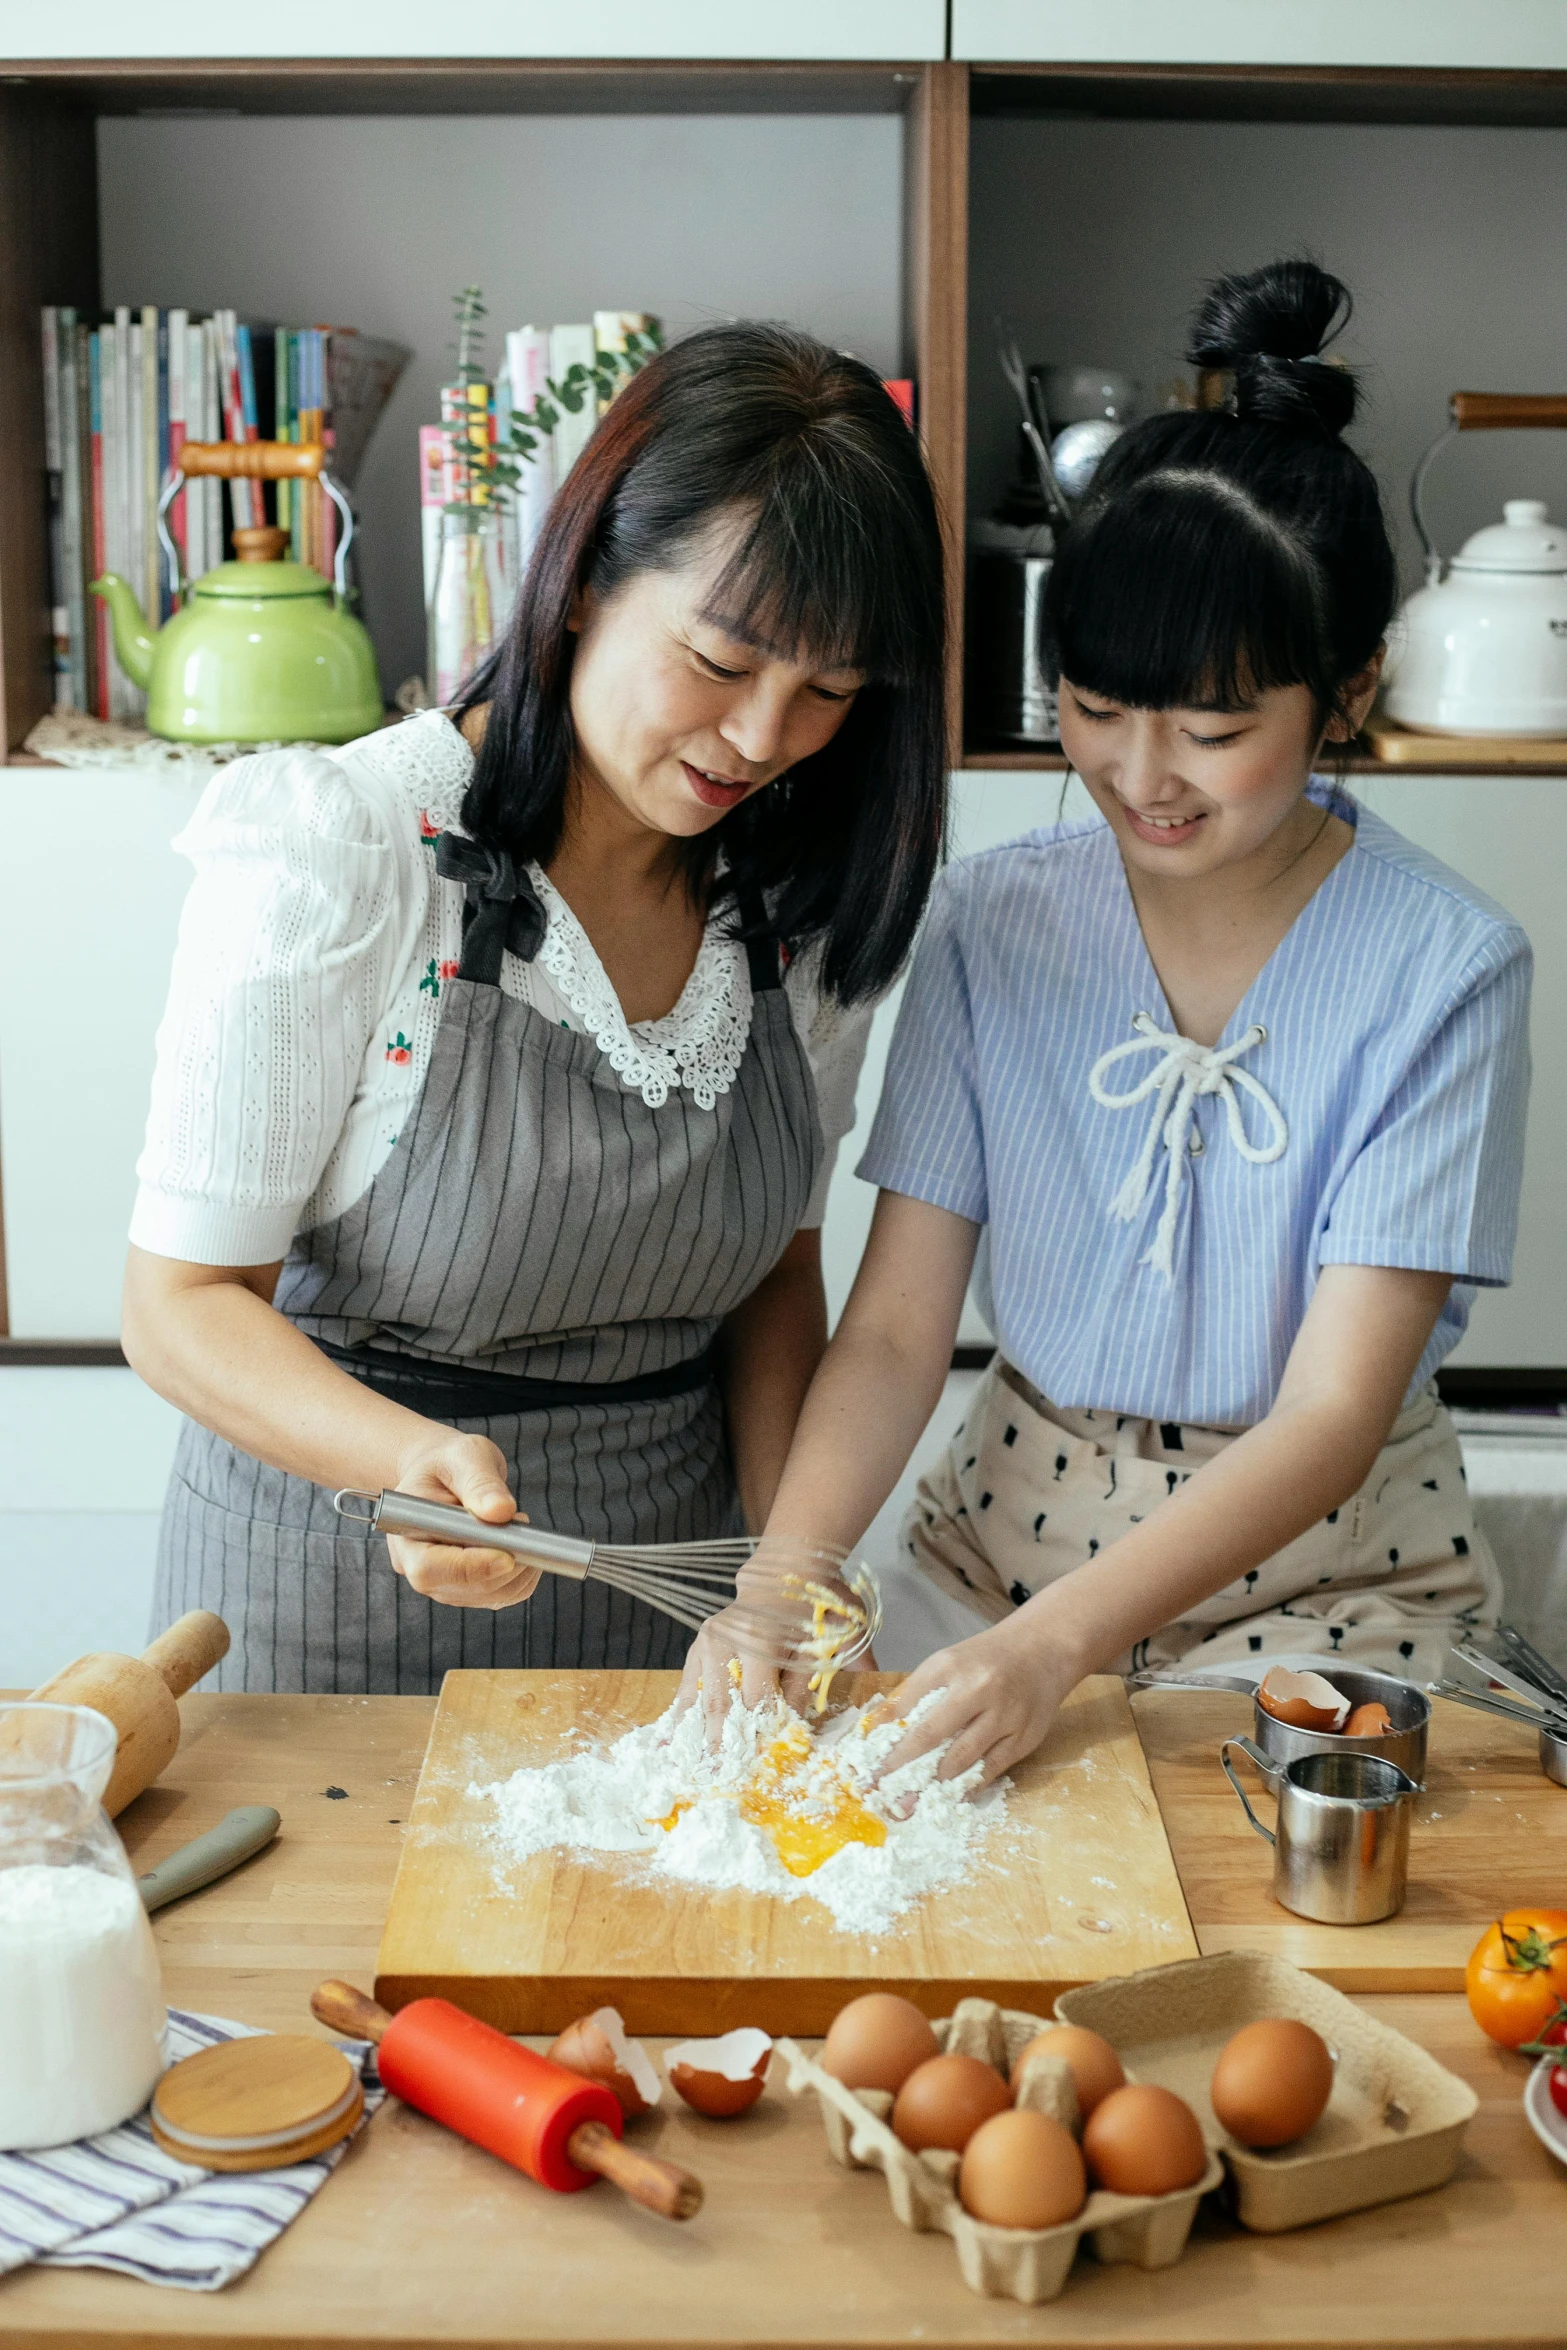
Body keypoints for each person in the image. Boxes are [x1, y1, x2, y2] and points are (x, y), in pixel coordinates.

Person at [685, 261, 1531, 1784]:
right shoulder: (993, 919)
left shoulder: (1441, 965)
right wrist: (781, 1579)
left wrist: (1059, 1644)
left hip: (1329, 1583)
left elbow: (1332, 1412)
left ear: (1347, 693)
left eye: (1213, 731)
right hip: (992, 1551)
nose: (1143, 774)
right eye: (1092, 707)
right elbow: (890, 1329)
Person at [123, 321, 947, 1692]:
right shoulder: (347, 848)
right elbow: (183, 1300)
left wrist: (776, 1581)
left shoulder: (788, 909)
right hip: (333, 1618)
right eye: (722, 660)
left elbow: (774, 1277)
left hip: (668, 1627)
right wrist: (403, 1459)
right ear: (581, 583)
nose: (763, 737)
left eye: (830, 694)